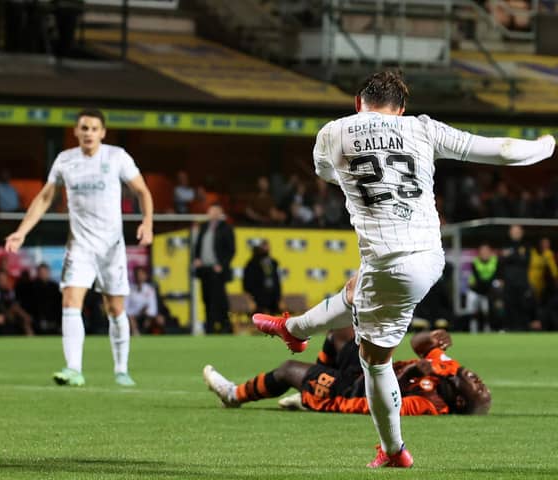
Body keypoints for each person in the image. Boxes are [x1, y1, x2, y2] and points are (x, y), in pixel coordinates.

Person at [252, 70, 555, 468]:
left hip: (390, 264)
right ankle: (293, 330)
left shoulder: (333, 131)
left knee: (375, 361)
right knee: (356, 290)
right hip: (429, 257)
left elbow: (324, 172)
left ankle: (394, 450)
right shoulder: (421, 129)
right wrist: (547, 144)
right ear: (402, 108)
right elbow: (501, 151)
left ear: (358, 103)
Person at [5, 108, 154, 387]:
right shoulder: (65, 161)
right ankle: (74, 369)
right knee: (71, 302)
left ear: (103, 133)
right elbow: (45, 197)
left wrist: (147, 222)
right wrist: (21, 232)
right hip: (80, 246)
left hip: (111, 246)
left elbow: (142, 191)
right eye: (83, 128)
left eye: (94, 128)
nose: (88, 133)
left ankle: (121, 370)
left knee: (115, 308)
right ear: (75, 131)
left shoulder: (116, 157)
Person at [204, 328, 491, 416]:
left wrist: (409, 373)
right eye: (483, 385)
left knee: (287, 369)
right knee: (340, 335)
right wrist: (434, 337)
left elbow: (384, 406)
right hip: (371, 368)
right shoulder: (450, 368)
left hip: (353, 392)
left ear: (461, 401)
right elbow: (418, 345)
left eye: (477, 389)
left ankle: (233, 395)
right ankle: (311, 390)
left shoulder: (430, 404)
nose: (479, 381)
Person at [193, 203, 235, 334]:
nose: (212, 214)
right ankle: (209, 326)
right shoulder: (204, 227)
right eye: (210, 211)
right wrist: (197, 259)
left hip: (217, 271)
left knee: (218, 299)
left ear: (220, 213)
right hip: (204, 270)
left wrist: (222, 265)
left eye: (215, 211)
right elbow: (197, 246)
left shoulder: (226, 228)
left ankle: (224, 325)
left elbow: (231, 250)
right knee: (206, 298)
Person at [242, 240, 281, 314]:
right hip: (258, 296)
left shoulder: (272, 262)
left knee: (272, 319)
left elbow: (276, 280)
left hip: (272, 296)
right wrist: (250, 298)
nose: (266, 249)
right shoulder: (252, 263)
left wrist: (278, 297)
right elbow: (247, 282)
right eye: (263, 247)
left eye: (267, 247)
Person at [125, 266, 164, 336]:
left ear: (145, 276)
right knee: (130, 319)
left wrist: (148, 316)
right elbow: (126, 308)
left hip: (146, 316)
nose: (138, 277)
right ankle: (135, 335)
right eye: (137, 274)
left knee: (160, 319)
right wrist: (136, 313)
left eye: (141, 274)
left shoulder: (150, 290)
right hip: (133, 316)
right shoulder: (128, 289)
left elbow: (153, 308)